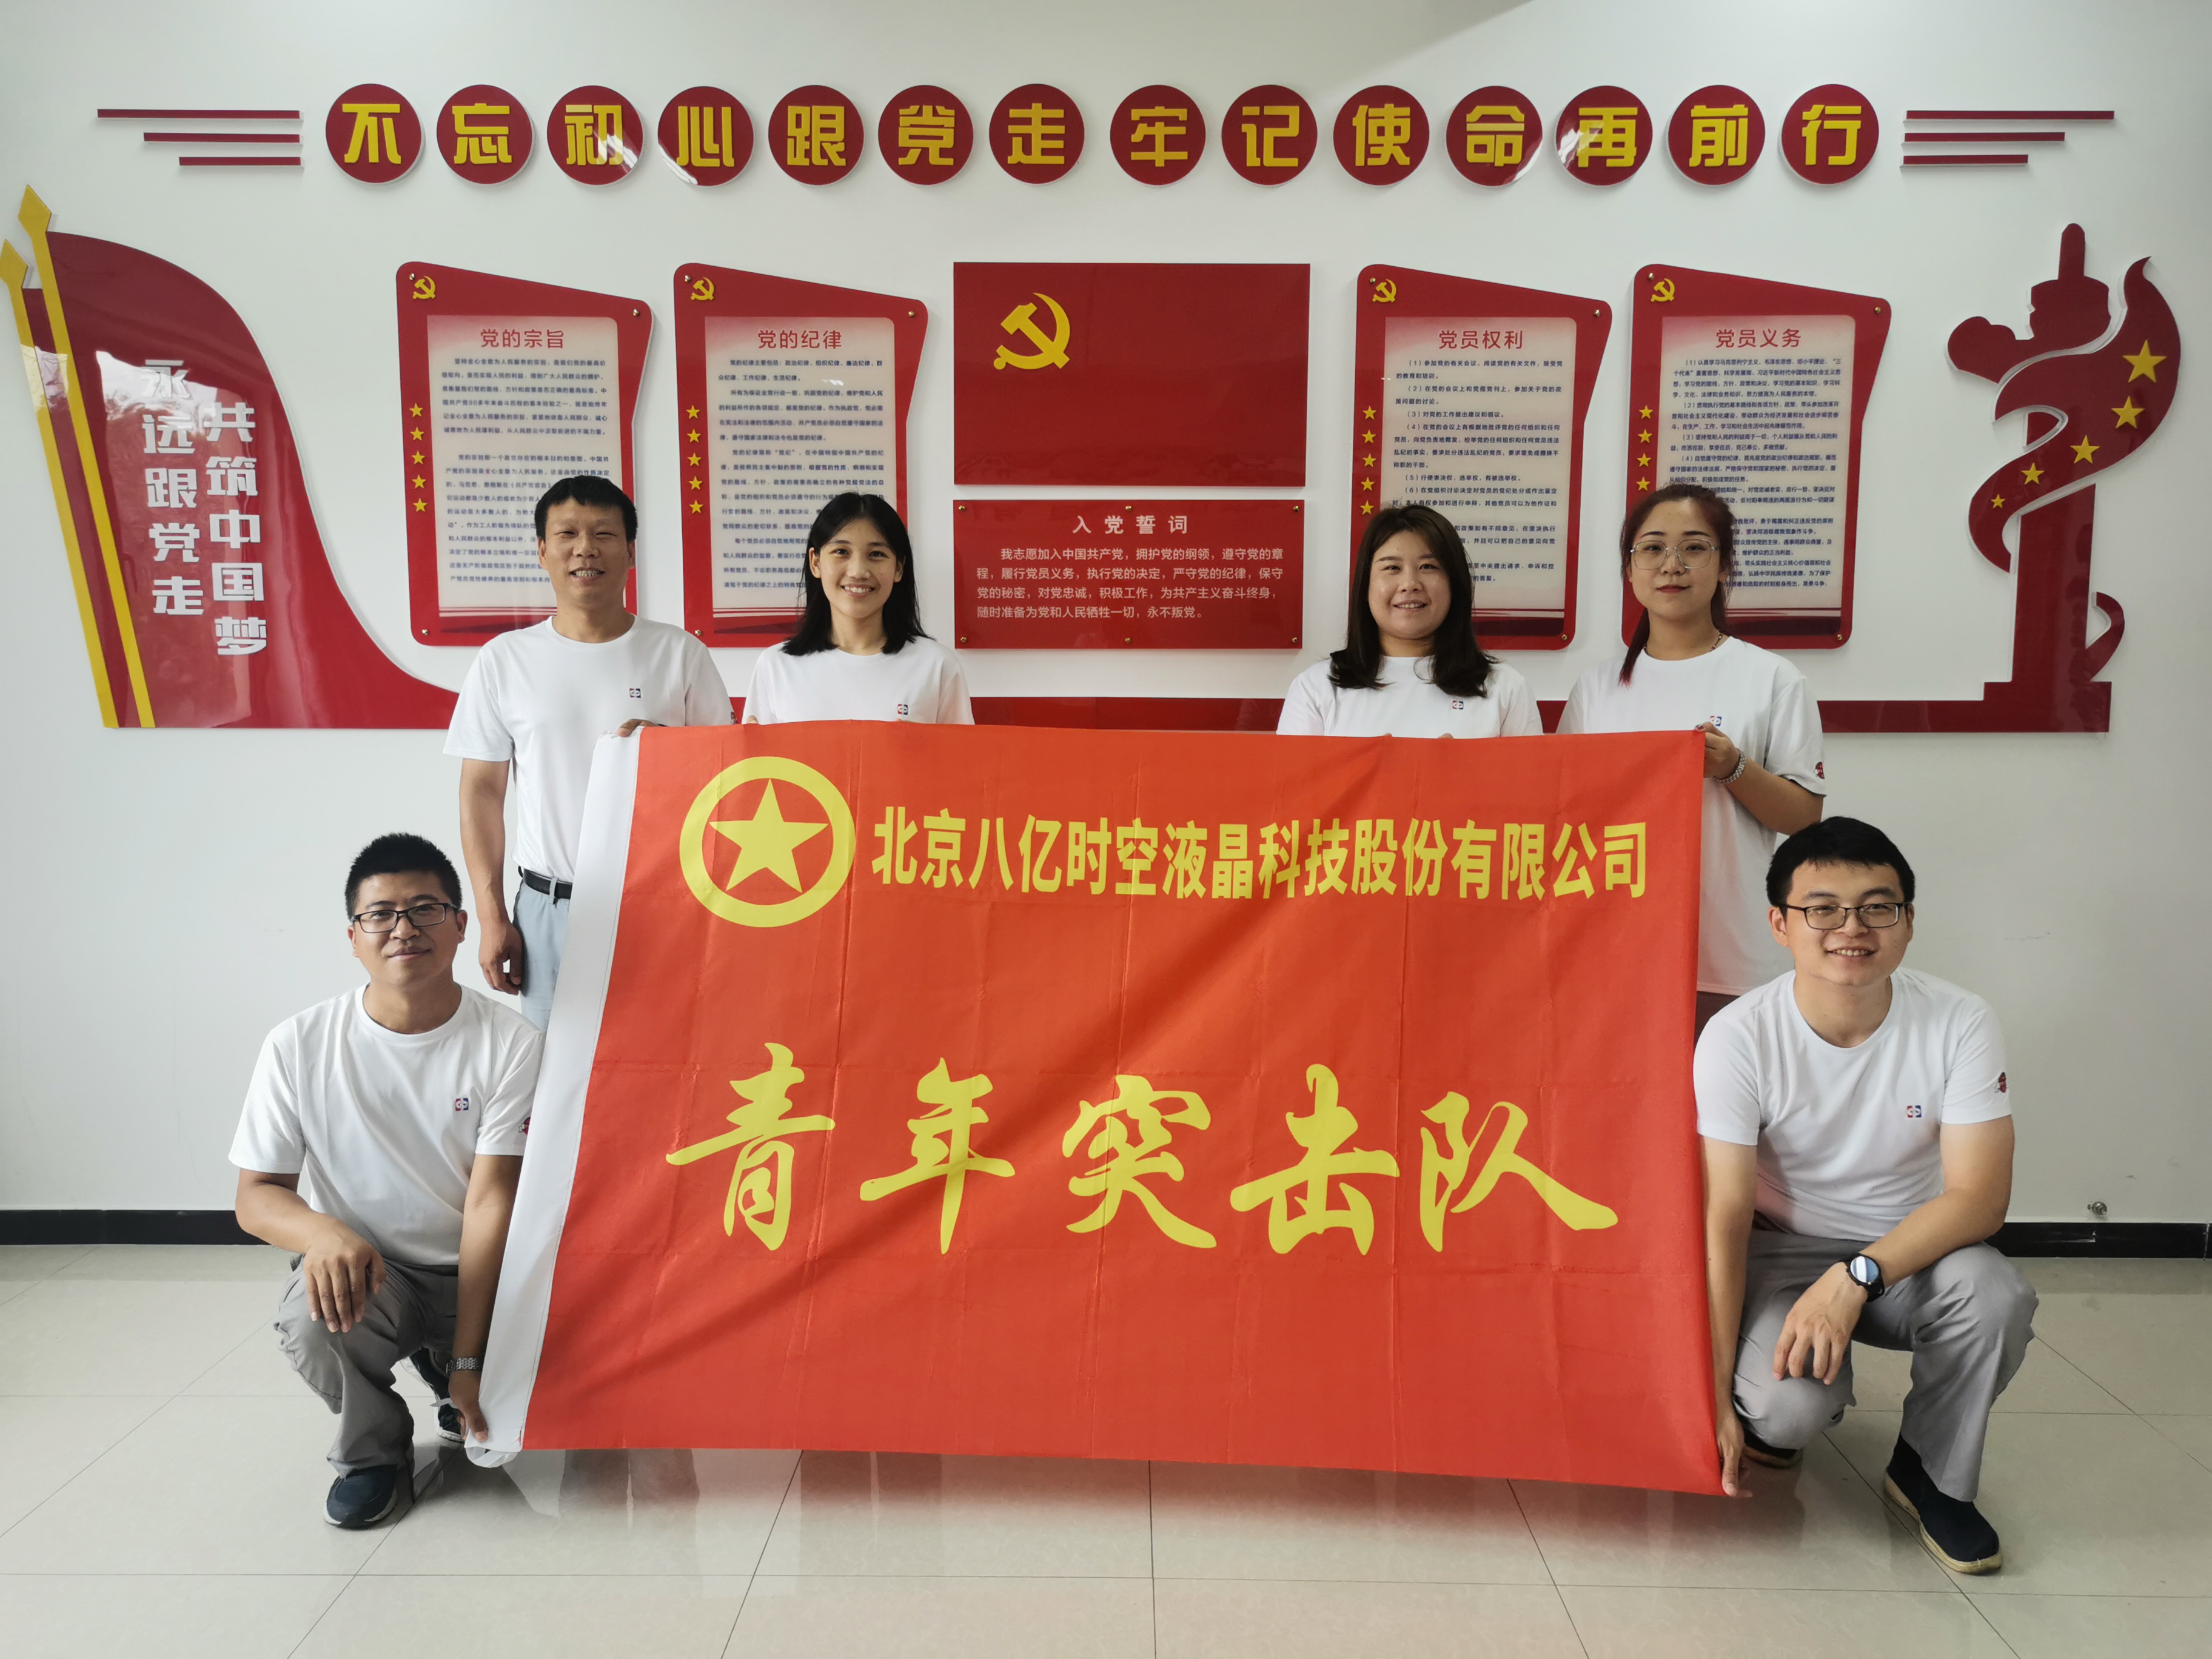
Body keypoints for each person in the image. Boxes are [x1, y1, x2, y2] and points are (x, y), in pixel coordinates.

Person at [1698, 817, 2033, 1574]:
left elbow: (1980, 1200)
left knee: (1995, 1295)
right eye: (1822, 909)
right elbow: (1723, 1217)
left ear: (1908, 921)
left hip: (1907, 1250)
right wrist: (1711, 1396)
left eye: (1878, 907)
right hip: (1780, 1251)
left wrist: (1856, 1278)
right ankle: (1770, 1416)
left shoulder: (1959, 1021)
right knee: (1788, 1410)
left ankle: (1930, 1473)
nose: (1852, 929)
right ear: (1781, 924)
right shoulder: (1738, 1036)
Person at [232, 834, 541, 1529]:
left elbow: (492, 1201)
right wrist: (324, 1234)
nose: (404, 929)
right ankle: (373, 1455)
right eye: (380, 914)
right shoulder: (299, 1044)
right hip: (377, 1273)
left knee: (546, 1387)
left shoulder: (512, 1043)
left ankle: (447, 1367)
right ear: (354, 938)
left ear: (460, 925)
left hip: (487, 1271)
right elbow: (256, 1196)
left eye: (425, 909)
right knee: (312, 1321)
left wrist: (470, 1357)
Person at [446, 476, 732, 1028]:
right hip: (549, 908)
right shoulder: (505, 660)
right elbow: (481, 792)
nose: (586, 549)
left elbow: (726, 780)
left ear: (630, 551)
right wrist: (492, 915)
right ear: (542, 551)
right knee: (555, 1068)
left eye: (604, 534)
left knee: (664, 1057)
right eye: (568, 534)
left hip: (666, 902)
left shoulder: (679, 653)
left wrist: (670, 751)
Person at [1558, 484, 1824, 1028]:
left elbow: (1804, 817)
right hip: (1614, 949)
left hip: (1729, 954)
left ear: (1724, 566)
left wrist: (1733, 768)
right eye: (1652, 548)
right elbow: (1561, 811)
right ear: (1630, 569)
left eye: (1695, 548)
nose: (1671, 565)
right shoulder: (1597, 689)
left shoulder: (1771, 678)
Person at [1278, 504, 1541, 738]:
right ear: (1366, 586)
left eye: (1429, 567)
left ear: (1455, 584)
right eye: (1392, 568)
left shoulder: (1506, 688)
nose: (1410, 584)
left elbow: (1530, 780)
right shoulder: (1317, 687)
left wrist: (1460, 770)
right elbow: (1294, 779)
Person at [745, 493, 972, 725]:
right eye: (841, 552)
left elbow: (963, 750)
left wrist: (920, 745)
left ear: (898, 569)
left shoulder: (937, 665)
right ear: (816, 562)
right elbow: (757, 749)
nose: (858, 572)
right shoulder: (776, 666)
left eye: (876, 554)